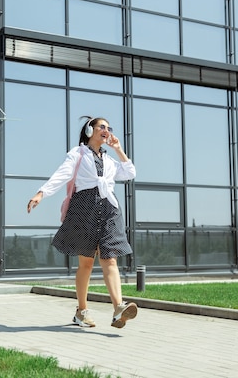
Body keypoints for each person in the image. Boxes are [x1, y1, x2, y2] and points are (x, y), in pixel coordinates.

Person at [27, 116, 138, 328]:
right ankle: (81, 311)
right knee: (86, 263)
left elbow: (130, 172)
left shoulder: (109, 160)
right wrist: (41, 193)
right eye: (102, 127)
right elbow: (61, 175)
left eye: (108, 128)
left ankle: (118, 308)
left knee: (110, 258)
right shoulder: (78, 154)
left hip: (109, 209)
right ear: (90, 131)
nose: (106, 130)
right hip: (83, 208)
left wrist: (118, 149)